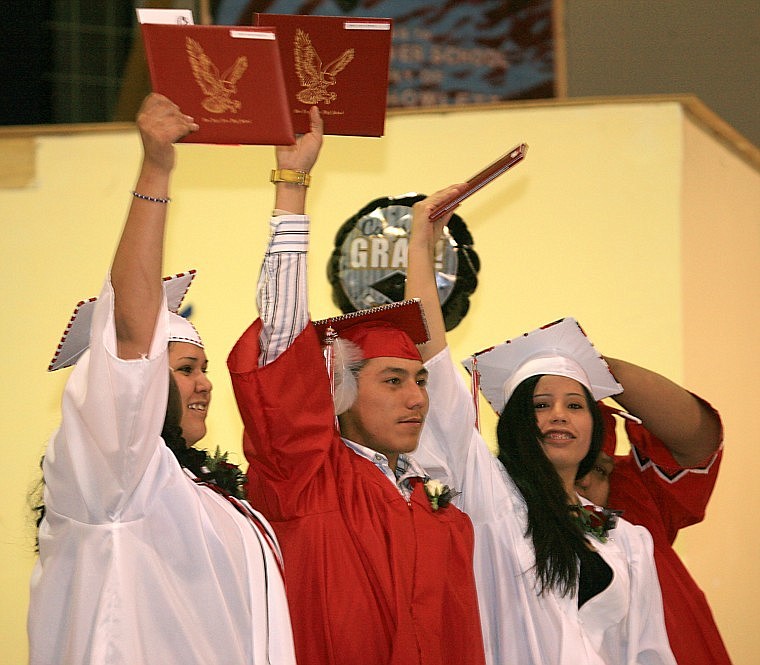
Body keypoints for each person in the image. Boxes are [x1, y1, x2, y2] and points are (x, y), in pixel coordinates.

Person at [28, 93, 296, 665]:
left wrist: (293, 179)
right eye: (183, 370)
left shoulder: (203, 494)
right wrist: (156, 168)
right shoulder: (113, 476)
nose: (205, 384)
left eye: (202, 369)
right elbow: (130, 329)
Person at [226, 111, 486, 665]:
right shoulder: (305, 477)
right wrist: (291, 189)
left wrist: (423, 242)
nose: (417, 397)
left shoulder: (433, 494)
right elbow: (281, 340)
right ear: (337, 390)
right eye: (392, 381)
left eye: (418, 381)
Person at [405, 188, 677, 664]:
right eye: (540, 404)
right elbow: (432, 359)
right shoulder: (489, 496)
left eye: (575, 405)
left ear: (593, 425)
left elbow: (647, 653)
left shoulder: (625, 539)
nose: (558, 415)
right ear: (513, 423)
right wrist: (421, 243)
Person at [574, 362, 731, 664]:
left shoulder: (630, 499)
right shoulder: (505, 520)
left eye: (598, 468)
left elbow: (697, 436)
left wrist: (585, 365)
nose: (586, 480)